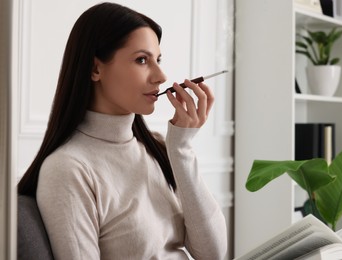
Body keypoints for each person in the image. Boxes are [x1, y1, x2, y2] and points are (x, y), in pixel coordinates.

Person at [17, 2, 227, 259]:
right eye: (142, 60)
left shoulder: (157, 147)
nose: (161, 75)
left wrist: (181, 149)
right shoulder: (67, 169)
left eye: (158, 59)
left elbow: (213, 252)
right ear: (96, 69)